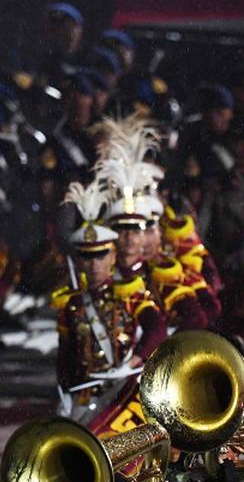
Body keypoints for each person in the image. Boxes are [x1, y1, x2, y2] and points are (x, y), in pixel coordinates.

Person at [54, 178, 165, 433]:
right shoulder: (71, 304)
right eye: (87, 256)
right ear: (80, 261)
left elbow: (157, 328)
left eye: (100, 254)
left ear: (112, 255)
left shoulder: (128, 293)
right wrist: (65, 392)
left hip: (124, 391)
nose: (94, 264)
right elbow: (65, 357)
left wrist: (133, 362)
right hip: (86, 395)